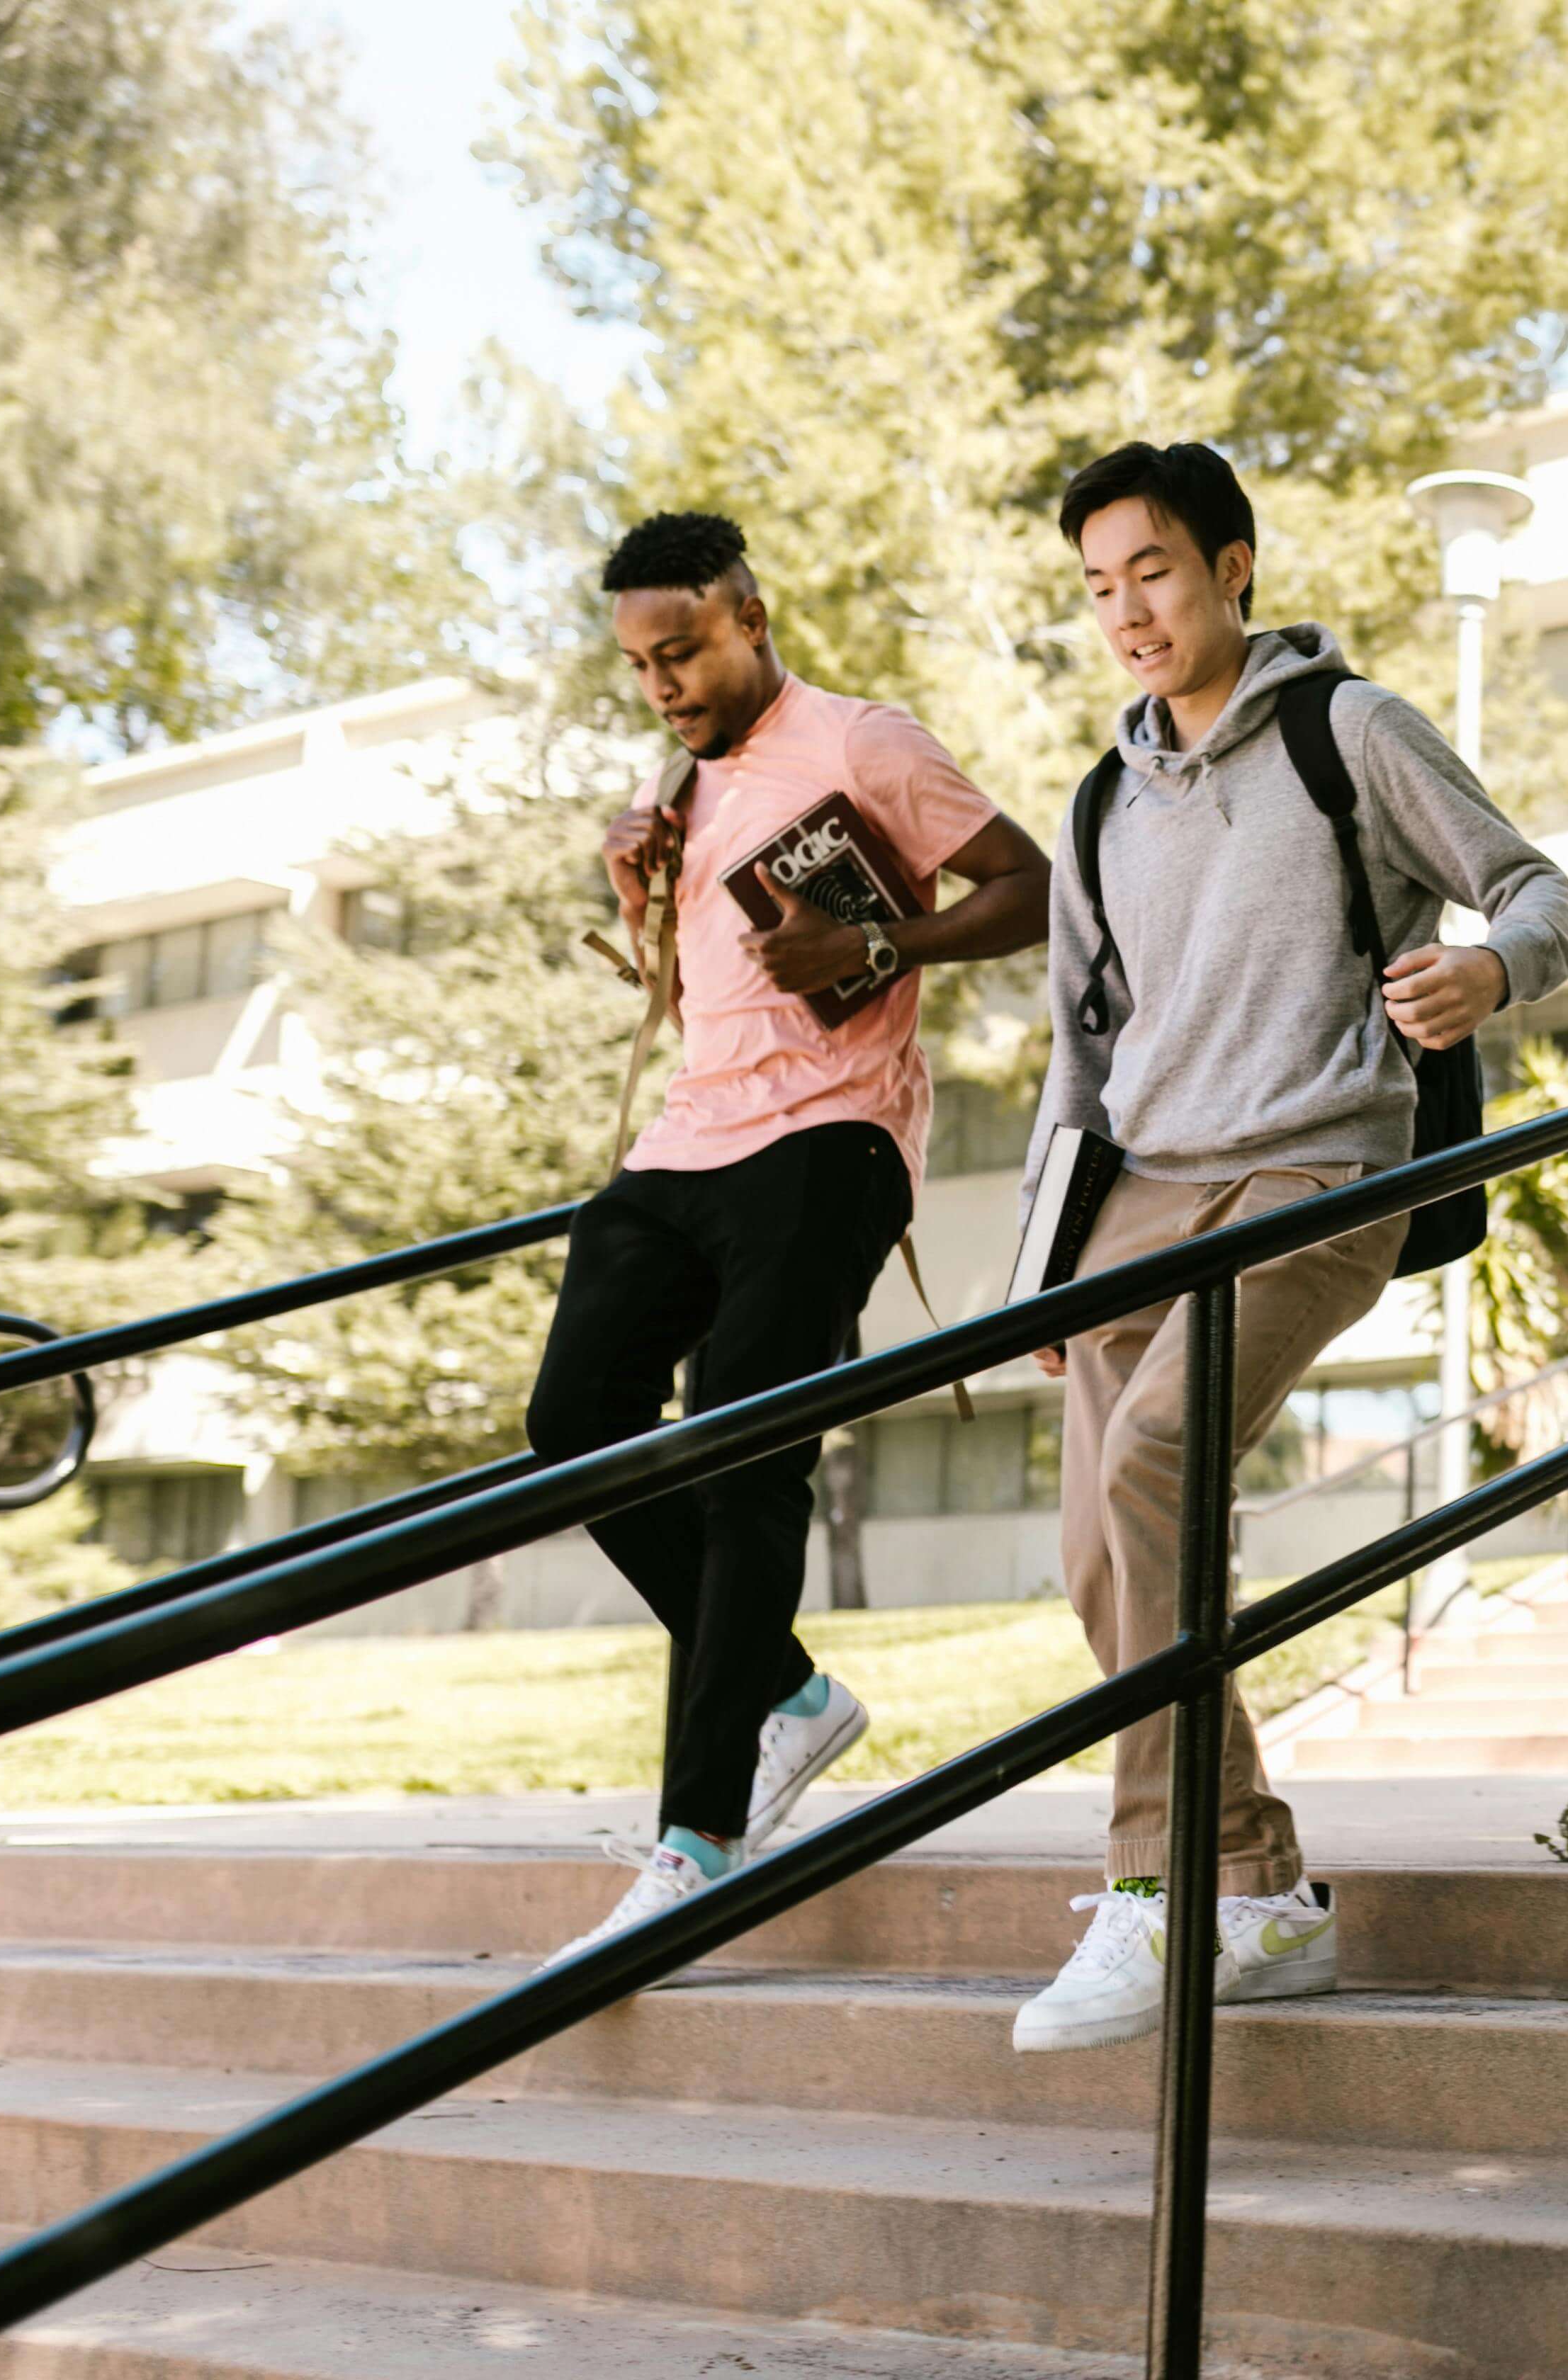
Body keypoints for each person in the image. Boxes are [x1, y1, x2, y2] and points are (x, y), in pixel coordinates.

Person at [1007, 441, 1568, 2053]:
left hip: (1318, 1171)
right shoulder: (1103, 800)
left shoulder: (1351, 731)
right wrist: (1040, 1271)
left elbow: (1538, 888)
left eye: (1157, 572)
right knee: (1098, 1554)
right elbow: (1079, 1049)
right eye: (1100, 584)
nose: (1127, 609)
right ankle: (1255, 1885)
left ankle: (1153, 1895)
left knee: (1157, 1462)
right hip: (1135, 1198)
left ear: (1234, 568)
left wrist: (1489, 972)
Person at [536, 511, 1053, 1968]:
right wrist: (638, 874)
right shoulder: (680, 782)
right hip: (689, 1142)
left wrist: (874, 947)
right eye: (641, 663)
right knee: (571, 1423)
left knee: (743, 1451)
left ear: (752, 614)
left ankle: (695, 1841)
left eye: (684, 650)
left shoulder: (865, 742)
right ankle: (788, 1695)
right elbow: (705, 984)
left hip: (832, 1143)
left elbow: (1028, 890)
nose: (664, 684)